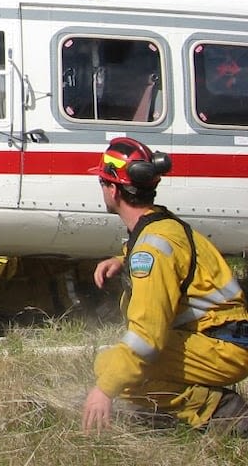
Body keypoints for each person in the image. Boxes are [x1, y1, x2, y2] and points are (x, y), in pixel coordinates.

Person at [81, 136, 248, 434]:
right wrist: (123, 259)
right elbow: (171, 257)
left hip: (223, 346)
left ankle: (224, 413)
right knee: (117, 365)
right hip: (226, 338)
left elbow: (147, 338)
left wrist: (104, 390)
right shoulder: (161, 225)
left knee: (115, 370)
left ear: (113, 189)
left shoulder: (151, 250)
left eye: (103, 183)